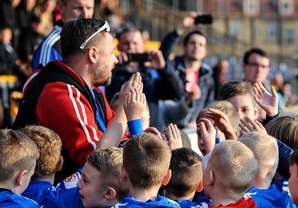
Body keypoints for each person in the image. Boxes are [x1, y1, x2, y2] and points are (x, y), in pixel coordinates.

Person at [13, 17, 119, 179]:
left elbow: (117, 134)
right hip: (46, 200)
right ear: (93, 54)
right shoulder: (61, 92)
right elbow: (98, 159)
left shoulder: (92, 90)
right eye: (111, 52)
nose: (116, 59)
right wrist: (126, 112)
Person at [107, 24, 184, 130]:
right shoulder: (111, 72)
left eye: (135, 43)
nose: (131, 47)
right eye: (126, 43)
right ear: (119, 46)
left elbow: (178, 93)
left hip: (151, 133)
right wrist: (113, 67)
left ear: (143, 45)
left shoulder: (153, 72)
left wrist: (164, 68)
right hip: (119, 134)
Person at [163, 29, 215, 127]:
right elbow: (162, 56)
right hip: (169, 128)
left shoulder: (208, 77)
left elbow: (209, 106)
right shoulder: (172, 69)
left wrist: (198, 122)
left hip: (194, 131)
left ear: (205, 51)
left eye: (201, 45)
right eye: (193, 43)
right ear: (185, 46)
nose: (196, 47)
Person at [30, 0, 93, 70]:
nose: (85, 15)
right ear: (61, 7)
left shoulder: (93, 40)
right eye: (78, 8)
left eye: (89, 8)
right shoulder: (50, 47)